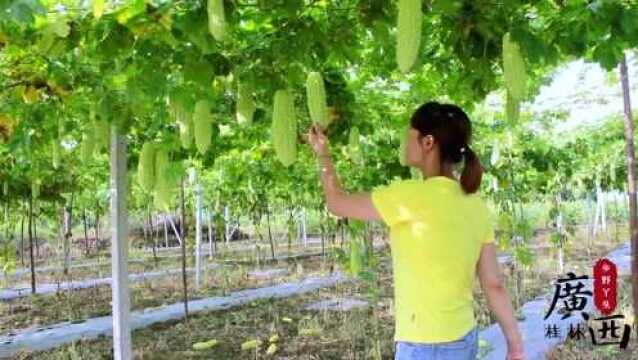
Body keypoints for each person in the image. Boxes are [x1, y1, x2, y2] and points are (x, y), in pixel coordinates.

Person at [307, 101, 526, 360]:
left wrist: (322, 153)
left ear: (428, 142)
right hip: (464, 338)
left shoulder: (409, 197)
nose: (404, 143)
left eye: (408, 136)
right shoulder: (476, 205)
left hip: (423, 346)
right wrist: (515, 345)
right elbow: (493, 284)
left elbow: (337, 203)